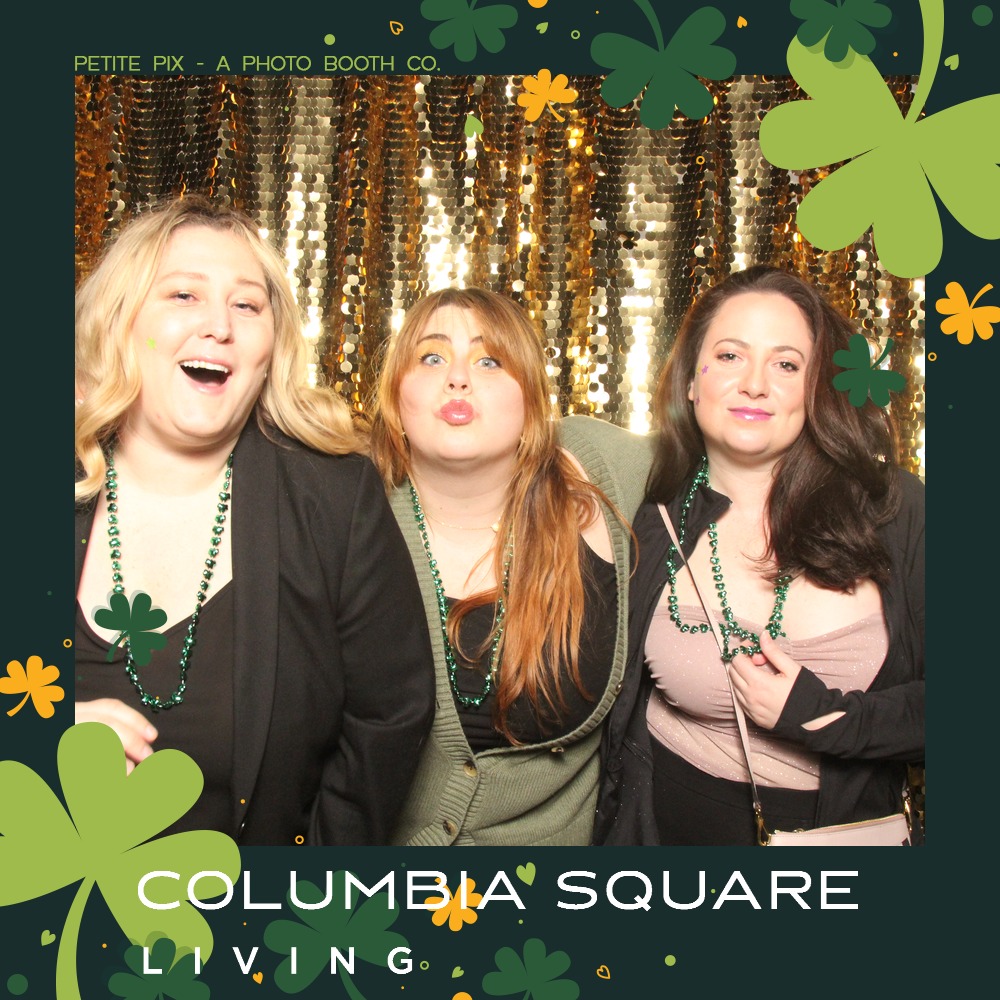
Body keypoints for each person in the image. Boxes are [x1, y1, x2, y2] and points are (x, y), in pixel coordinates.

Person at [74, 196, 435, 846]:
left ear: (271, 350)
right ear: (119, 322)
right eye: (183, 295)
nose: (219, 326)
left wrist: (300, 893)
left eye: (247, 305)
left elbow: (391, 717)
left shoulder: (334, 498)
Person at [593, 265, 924, 845]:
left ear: (816, 388)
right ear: (690, 381)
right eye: (729, 356)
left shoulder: (896, 510)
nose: (754, 384)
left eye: (786, 364)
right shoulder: (647, 511)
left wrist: (824, 717)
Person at [368, 287, 651, 845]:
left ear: (532, 399)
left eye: (490, 360)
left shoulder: (607, 469)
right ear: (396, 395)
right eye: (431, 357)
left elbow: (738, 445)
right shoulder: (341, 507)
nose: (458, 378)